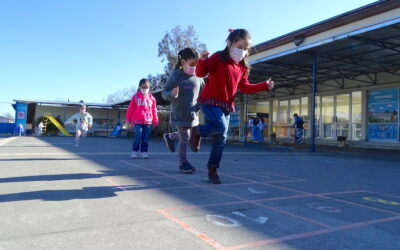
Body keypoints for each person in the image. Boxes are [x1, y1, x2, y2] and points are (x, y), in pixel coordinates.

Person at [190, 29, 275, 184]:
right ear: (229, 43)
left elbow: (245, 87)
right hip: (209, 101)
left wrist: (264, 85)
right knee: (221, 126)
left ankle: (212, 169)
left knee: (221, 138)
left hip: (226, 105)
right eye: (239, 46)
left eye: (245, 48)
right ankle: (197, 131)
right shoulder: (218, 57)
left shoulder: (242, 68)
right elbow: (201, 73)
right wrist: (202, 60)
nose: (242, 51)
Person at [162, 47, 204, 173]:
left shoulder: (199, 77)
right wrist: (172, 93)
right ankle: (183, 163)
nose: (194, 67)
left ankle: (170, 136)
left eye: (196, 65)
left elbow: (204, 93)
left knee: (187, 137)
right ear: (183, 62)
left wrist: (202, 103)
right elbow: (164, 92)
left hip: (193, 116)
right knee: (184, 139)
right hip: (179, 114)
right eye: (192, 64)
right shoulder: (175, 76)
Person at [126, 78, 158, 159]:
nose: (145, 89)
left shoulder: (152, 98)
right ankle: (134, 151)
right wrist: (128, 120)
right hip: (137, 121)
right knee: (138, 135)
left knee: (146, 137)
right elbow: (130, 109)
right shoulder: (135, 97)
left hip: (147, 121)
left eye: (147, 87)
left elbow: (154, 109)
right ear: (140, 87)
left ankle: (144, 151)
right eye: (143, 87)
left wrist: (155, 119)